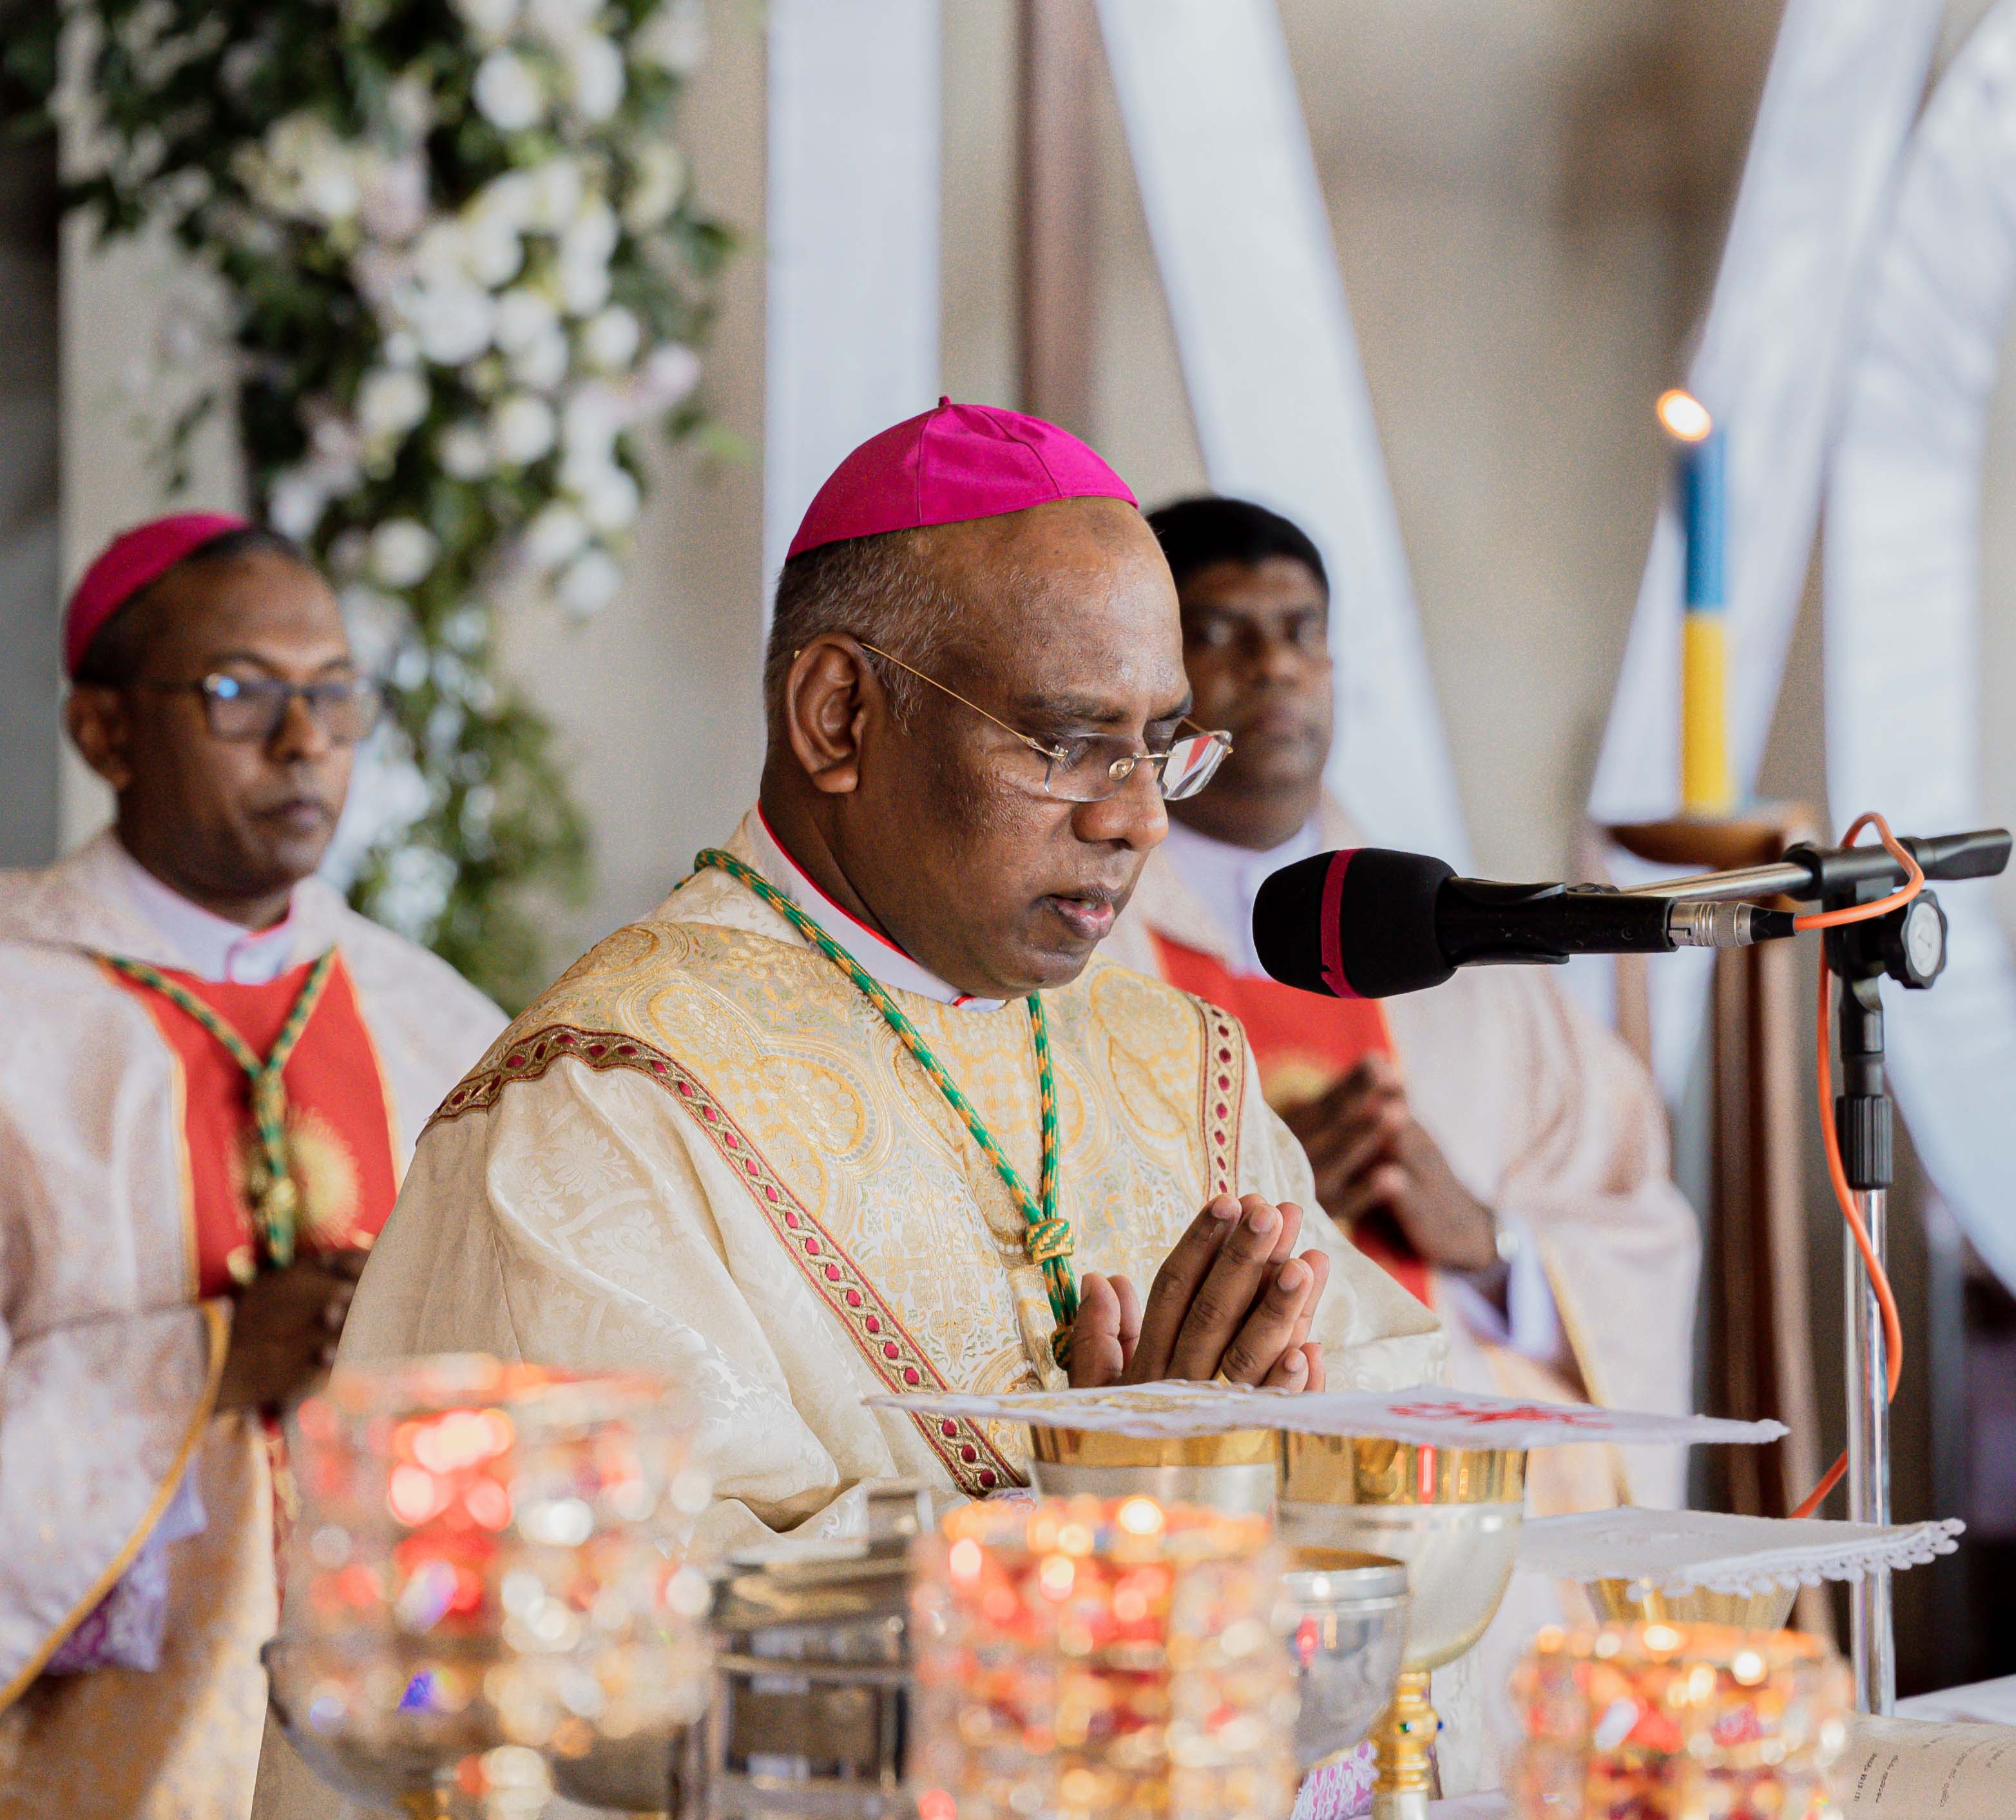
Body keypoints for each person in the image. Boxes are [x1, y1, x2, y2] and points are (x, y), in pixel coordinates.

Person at [341, 404, 1443, 1550]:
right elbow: (600, 1615)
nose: (1141, 818)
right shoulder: (601, 1111)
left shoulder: (1173, 1061)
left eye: (1164, 741)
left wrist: (1250, 1464)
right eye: (1068, 744)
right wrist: (1096, 1522)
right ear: (838, 716)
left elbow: (1395, 1425)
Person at [1102, 494, 1700, 1792]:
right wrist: (1271, 1187)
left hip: (1487, 1489)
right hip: (1253, 1496)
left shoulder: (1453, 943)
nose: (1270, 666)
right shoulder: (1093, 960)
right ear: (1152, 680)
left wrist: (1485, 1238)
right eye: (1219, 632)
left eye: (1297, 631)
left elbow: (1638, 1223)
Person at [0, 514, 503, 1820]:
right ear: (103, 728)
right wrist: (200, 1362)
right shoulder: (16, 1012)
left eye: (336, 692)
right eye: (239, 692)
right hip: (92, 1797)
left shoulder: (439, 1023)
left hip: (405, 1749)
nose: (303, 741)